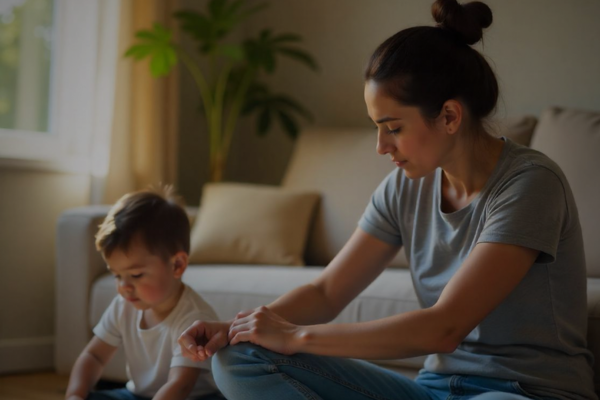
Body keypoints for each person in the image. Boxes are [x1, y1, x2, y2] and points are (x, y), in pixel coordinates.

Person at [177, 0, 597, 399]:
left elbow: (444, 327)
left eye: (392, 127)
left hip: (525, 390)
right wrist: (236, 330)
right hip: (431, 390)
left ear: (450, 116)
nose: (381, 146)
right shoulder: (405, 186)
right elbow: (326, 293)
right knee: (239, 360)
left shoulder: (530, 184)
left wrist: (293, 336)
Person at [65, 187, 222, 400]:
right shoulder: (124, 305)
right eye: (117, 275)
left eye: (136, 275)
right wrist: (75, 395)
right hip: (138, 395)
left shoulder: (193, 319)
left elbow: (180, 385)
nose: (124, 287)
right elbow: (94, 356)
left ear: (177, 265)